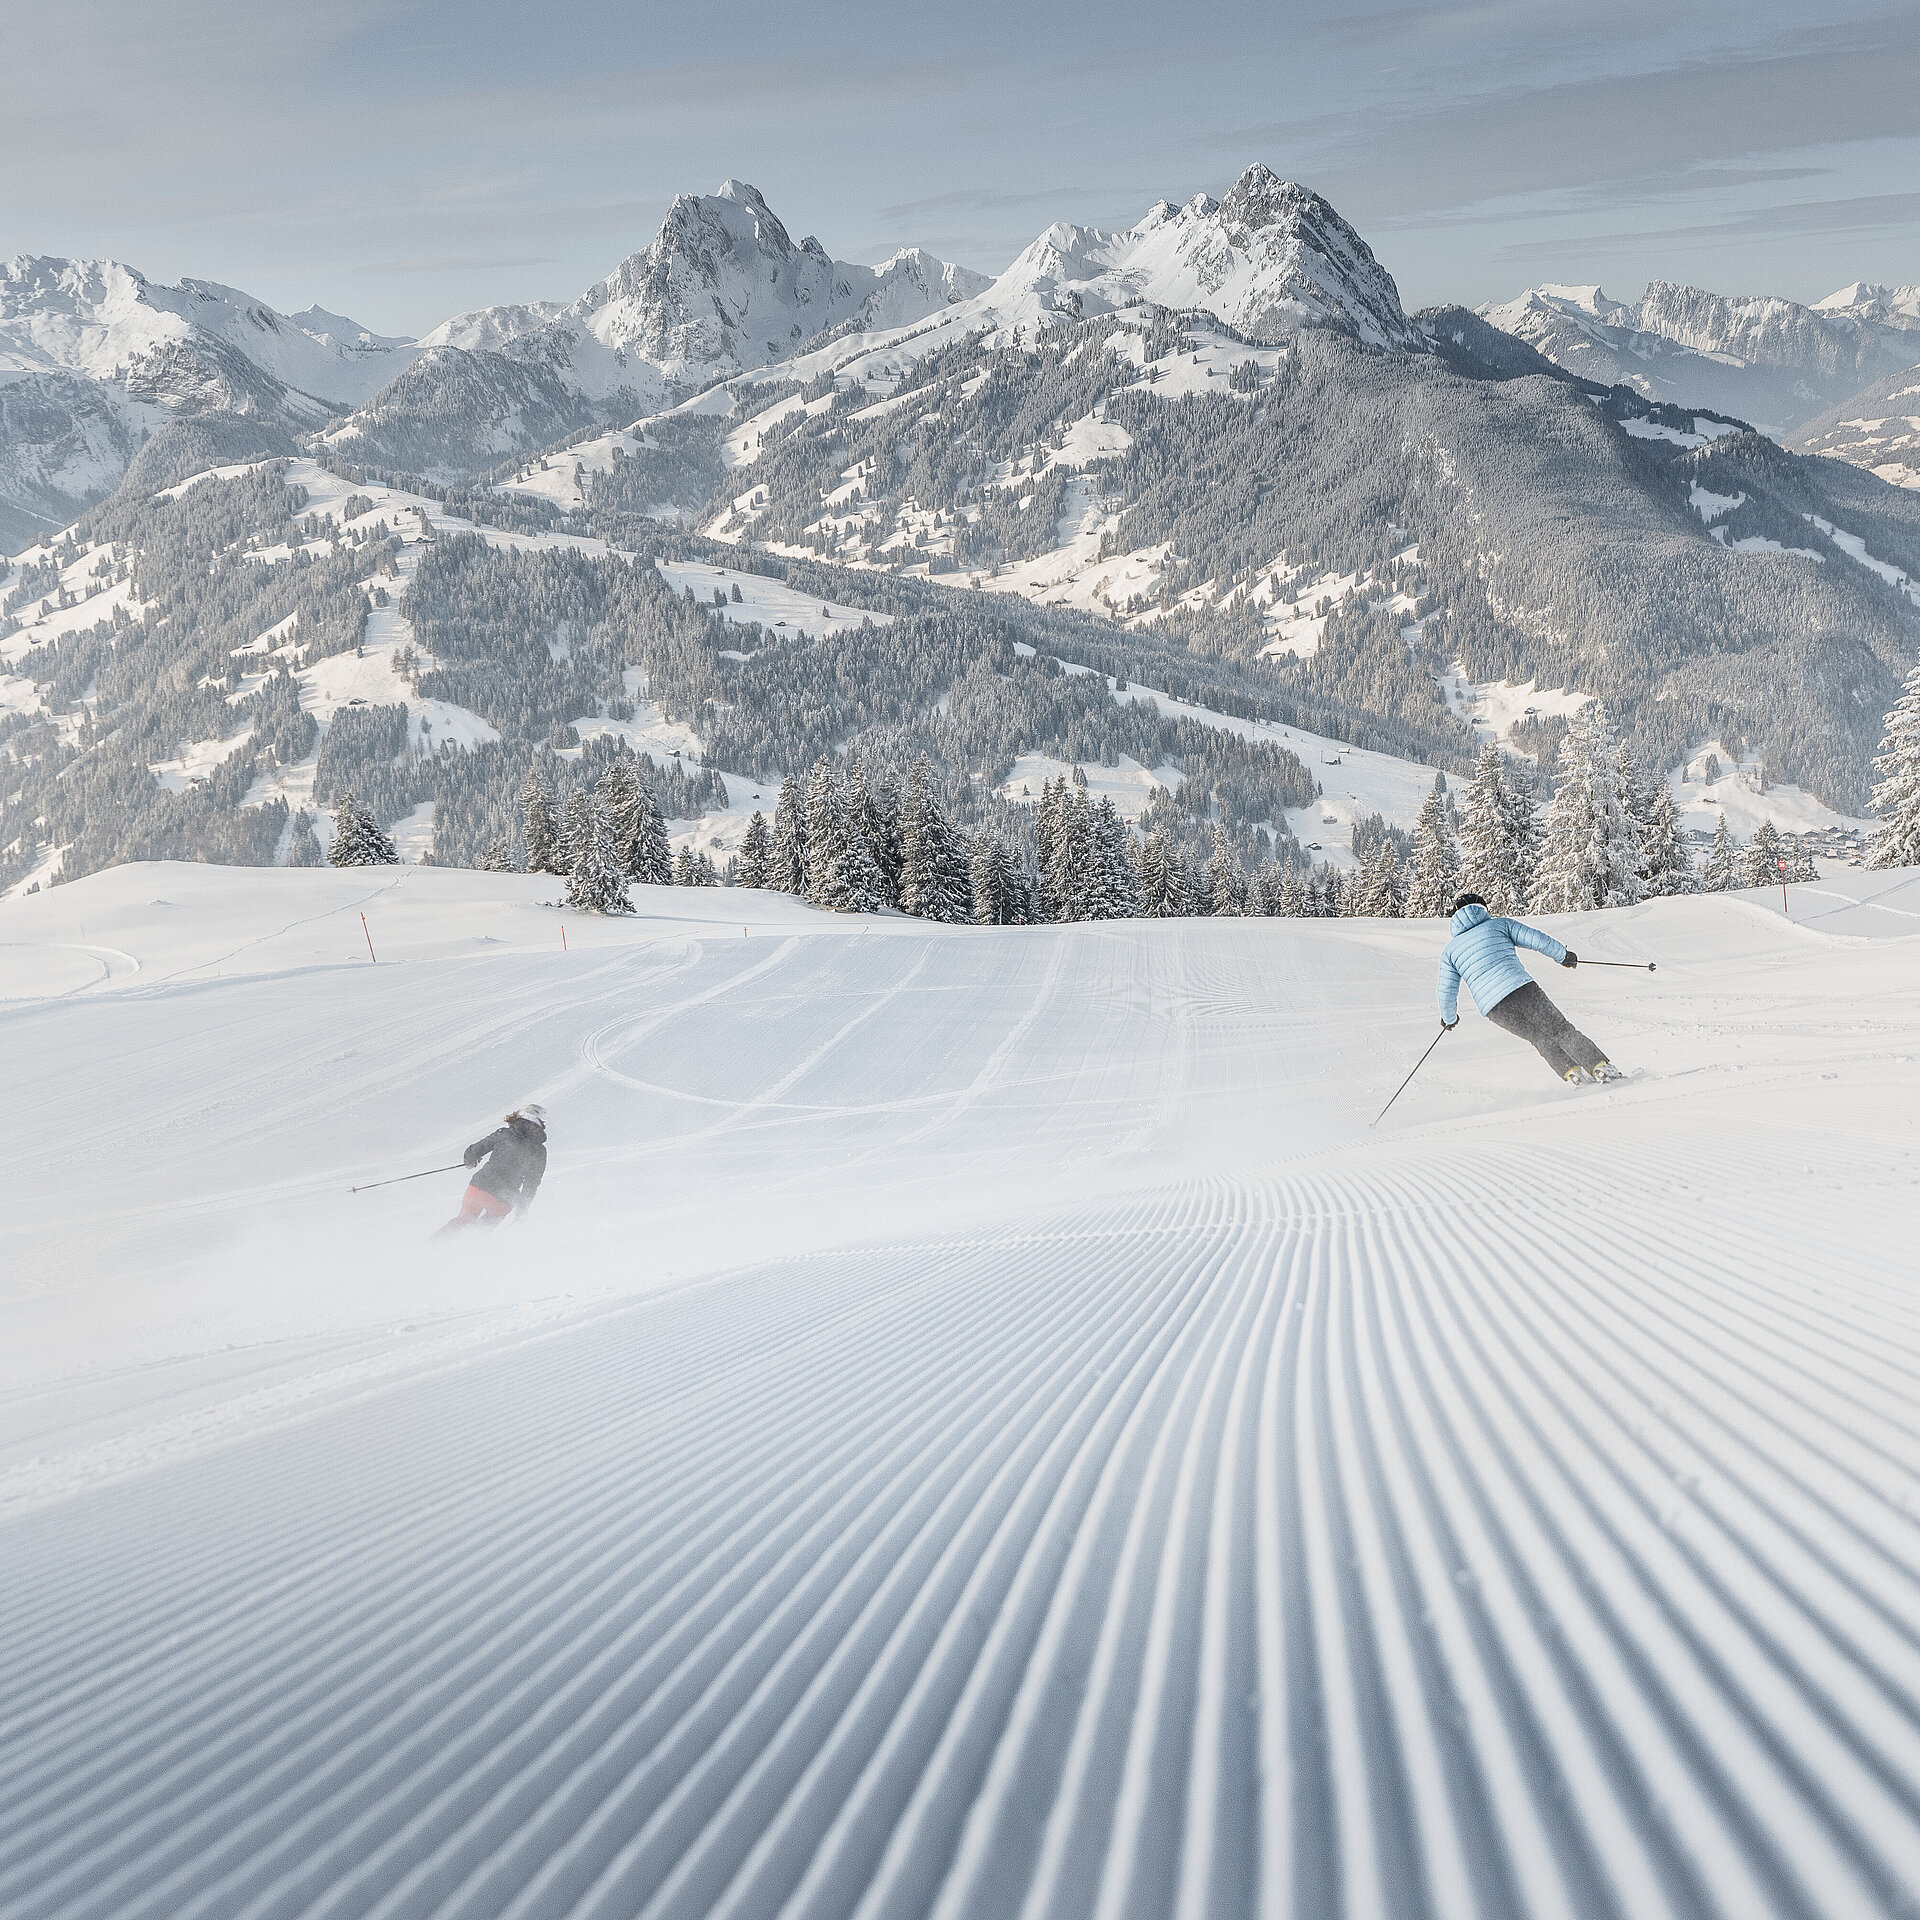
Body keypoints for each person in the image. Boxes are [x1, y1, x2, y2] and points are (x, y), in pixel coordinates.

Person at [1437, 895, 1623, 1083]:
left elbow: (1446, 990)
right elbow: (1536, 939)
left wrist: (1449, 1018)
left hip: (1493, 1008)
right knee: (1560, 1029)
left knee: (1537, 1037)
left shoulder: (1450, 951)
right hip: (1521, 989)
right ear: (1482, 909)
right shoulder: (1500, 925)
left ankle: (1572, 1073)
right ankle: (1599, 1067)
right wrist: (1563, 955)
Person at [441, 1104, 548, 1230]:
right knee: (481, 1231)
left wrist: (470, 1160)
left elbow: (473, 1151)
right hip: (504, 1199)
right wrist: (522, 1209)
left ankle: (434, 1244)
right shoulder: (539, 1151)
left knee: (462, 1221)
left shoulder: (504, 1134)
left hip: (480, 1186)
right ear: (540, 1123)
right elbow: (532, 1183)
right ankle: (471, 1246)